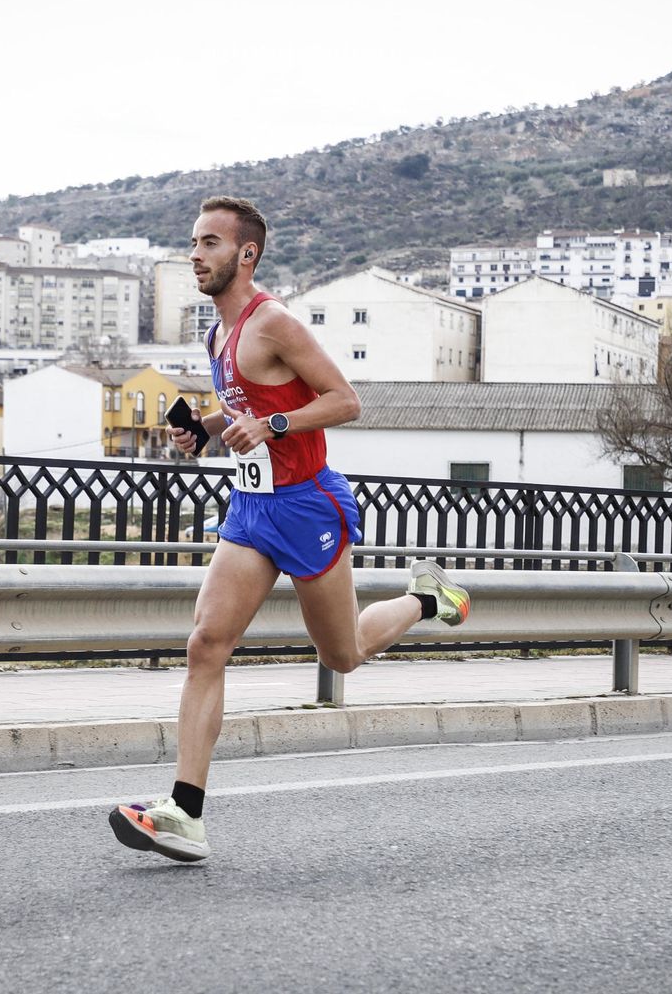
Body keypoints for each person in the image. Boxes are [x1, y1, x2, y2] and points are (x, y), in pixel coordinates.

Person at [109, 196, 470, 862]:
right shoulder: (214, 332)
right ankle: (184, 813)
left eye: (211, 243)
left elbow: (344, 400)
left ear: (246, 255)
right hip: (252, 508)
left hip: (306, 506)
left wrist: (272, 427)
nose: (197, 254)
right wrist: (206, 430)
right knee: (205, 643)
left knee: (342, 654)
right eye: (194, 241)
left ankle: (430, 597)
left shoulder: (271, 322)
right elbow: (247, 405)